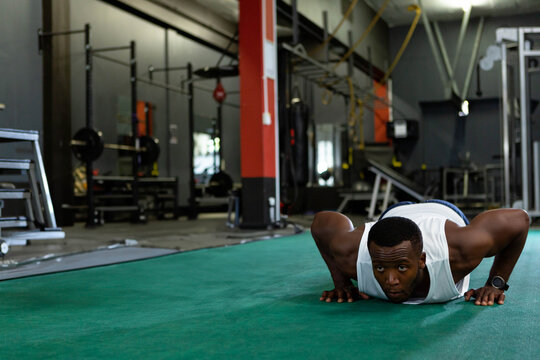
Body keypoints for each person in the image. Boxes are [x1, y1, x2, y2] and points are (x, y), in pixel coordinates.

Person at [311, 200, 530, 306]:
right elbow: (322, 222)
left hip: (443, 212)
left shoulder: (457, 253)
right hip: (393, 215)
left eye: (402, 267)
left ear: (422, 260)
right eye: (379, 268)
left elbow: (520, 219)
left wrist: (496, 284)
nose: (390, 281)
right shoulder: (354, 257)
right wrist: (341, 283)